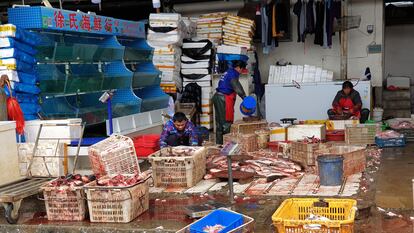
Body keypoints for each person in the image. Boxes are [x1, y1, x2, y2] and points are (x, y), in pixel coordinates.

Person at [212, 60, 247, 144]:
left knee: (219, 123)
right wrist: (245, 98)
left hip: (217, 97)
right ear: (238, 68)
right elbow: (237, 87)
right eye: (241, 70)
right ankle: (226, 146)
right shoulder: (233, 73)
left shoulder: (228, 71)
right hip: (223, 98)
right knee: (226, 123)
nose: (241, 72)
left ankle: (219, 145)